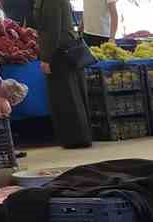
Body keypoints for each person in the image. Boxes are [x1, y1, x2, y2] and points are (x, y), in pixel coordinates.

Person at [28, 0, 92, 147]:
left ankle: (75, 139)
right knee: (71, 95)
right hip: (63, 50)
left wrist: (46, 58)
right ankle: (77, 137)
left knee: (66, 96)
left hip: (59, 53)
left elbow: (52, 30)